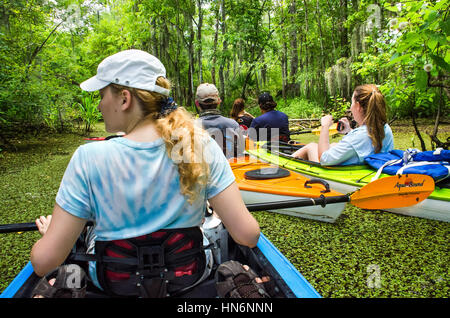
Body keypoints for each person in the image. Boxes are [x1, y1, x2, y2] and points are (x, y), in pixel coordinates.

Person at [30, 49, 260, 298]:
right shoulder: (200, 145)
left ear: (124, 99)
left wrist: (50, 235)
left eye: (101, 95)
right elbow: (247, 236)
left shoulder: (87, 158)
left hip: (112, 285)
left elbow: (44, 263)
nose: (99, 104)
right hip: (190, 279)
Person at [291, 84, 394, 165]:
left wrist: (325, 127)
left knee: (311, 146)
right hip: (367, 169)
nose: (350, 108)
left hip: (339, 175)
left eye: (352, 103)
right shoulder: (385, 128)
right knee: (333, 145)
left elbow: (324, 158)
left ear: (358, 106)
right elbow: (366, 141)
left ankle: (284, 165)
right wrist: (349, 131)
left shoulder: (358, 137)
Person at [195, 83, 244, 158]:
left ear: (197, 103)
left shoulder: (190, 126)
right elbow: (241, 149)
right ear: (219, 101)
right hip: (230, 168)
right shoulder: (233, 124)